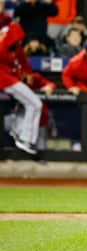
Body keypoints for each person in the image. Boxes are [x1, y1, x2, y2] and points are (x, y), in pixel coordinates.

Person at [0, 21, 43, 155]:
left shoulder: (17, 48)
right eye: (17, 38)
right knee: (35, 105)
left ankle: (18, 131)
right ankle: (26, 140)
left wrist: (27, 75)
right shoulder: (1, 48)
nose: (20, 41)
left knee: (29, 105)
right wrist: (19, 74)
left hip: (13, 81)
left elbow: (25, 65)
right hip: (5, 81)